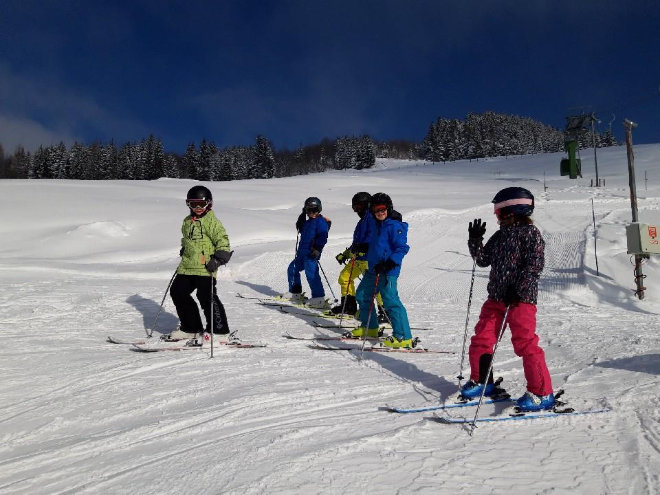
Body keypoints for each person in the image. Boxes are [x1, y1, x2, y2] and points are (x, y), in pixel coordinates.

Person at [461, 186, 555, 412]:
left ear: (511, 210)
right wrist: (475, 241)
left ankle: (542, 393)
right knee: (482, 338)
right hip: (497, 297)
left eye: (498, 211)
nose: (495, 215)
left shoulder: (531, 234)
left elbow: (534, 266)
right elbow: (483, 260)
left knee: (525, 343)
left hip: (520, 299)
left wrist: (519, 289)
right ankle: (482, 380)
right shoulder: (501, 234)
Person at [167, 185, 233, 341]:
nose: (197, 208)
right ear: (188, 204)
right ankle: (191, 328)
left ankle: (219, 332)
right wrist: (184, 249)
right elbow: (187, 239)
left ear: (208, 204)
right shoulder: (187, 221)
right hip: (187, 266)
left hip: (206, 267)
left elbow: (222, 241)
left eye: (201, 204)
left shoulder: (212, 222)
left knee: (206, 296)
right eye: (193, 204)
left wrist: (218, 259)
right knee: (178, 292)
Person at [353, 193, 413, 348]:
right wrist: (363, 248)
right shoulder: (374, 224)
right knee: (362, 295)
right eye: (376, 209)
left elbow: (402, 248)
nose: (380, 212)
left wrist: (389, 263)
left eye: (382, 209)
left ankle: (403, 337)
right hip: (373, 268)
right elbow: (375, 245)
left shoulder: (394, 226)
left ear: (388, 208)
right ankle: (370, 327)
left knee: (390, 301)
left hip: (388, 271)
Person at [331, 192, 375, 317]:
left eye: (359, 207)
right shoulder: (361, 222)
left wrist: (365, 247)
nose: (357, 210)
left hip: (368, 259)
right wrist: (345, 254)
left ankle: (384, 312)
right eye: (355, 208)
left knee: (374, 286)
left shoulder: (372, 219)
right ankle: (349, 307)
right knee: (344, 277)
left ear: (367, 205)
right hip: (358, 259)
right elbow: (356, 243)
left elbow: (373, 239)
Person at [282, 197, 331, 309]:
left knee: (311, 274)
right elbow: (299, 225)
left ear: (319, 210)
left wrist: (318, 249)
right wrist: (303, 214)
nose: (313, 213)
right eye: (309, 211)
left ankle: (319, 298)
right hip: (301, 253)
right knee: (292, 268)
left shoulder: (321, 222)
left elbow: (323, 236)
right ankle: (295, 293)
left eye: (315, 210)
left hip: (311, 254)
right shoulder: (307, 222)